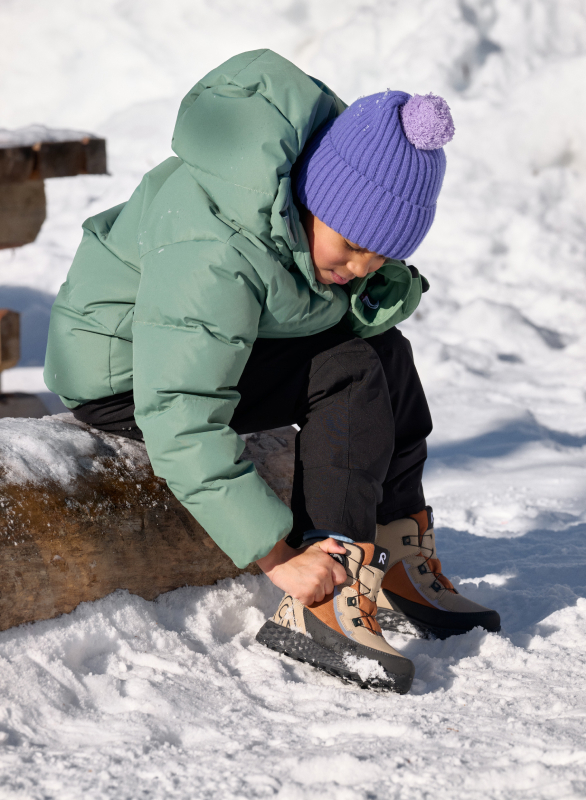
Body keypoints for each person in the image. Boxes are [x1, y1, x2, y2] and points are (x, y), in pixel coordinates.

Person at [44, 49, 500, 694]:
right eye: (351, 246)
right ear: (314, 200)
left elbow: (313, 307)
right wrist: (276, 558)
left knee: (384, 355)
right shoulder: (214, 243)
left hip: (206, 348)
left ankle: (391, 550)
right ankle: (324, 593)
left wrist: (368, 301)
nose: (362, 267)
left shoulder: (294, 222)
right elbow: (177, 407)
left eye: (381, 256)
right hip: (126, 374)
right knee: (348, 371)